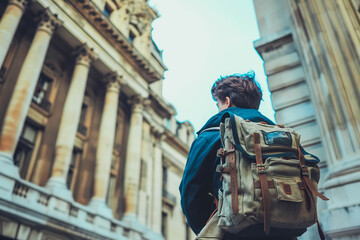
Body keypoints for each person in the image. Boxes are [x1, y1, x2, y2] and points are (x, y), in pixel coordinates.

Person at [179, 71, 297, 239]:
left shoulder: (210, 136)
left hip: (234, 233)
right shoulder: (282, 136)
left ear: (226, 102)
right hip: (286, 232)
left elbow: (190, 193)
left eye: (218, 104)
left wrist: (212, 230)